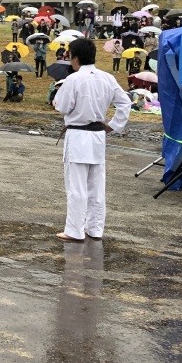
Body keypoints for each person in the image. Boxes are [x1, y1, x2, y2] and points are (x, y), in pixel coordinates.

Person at [52, 38, 131, 242]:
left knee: (76, 185)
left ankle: (74, 230)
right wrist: (113, 125)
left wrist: (56, 99)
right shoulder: (107, 78)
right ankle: (95, 228)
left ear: (75, 57)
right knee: (96, 185)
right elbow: (125, 103)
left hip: (78, 135)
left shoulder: (74, 79)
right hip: (97, 135)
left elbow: (62, 107)